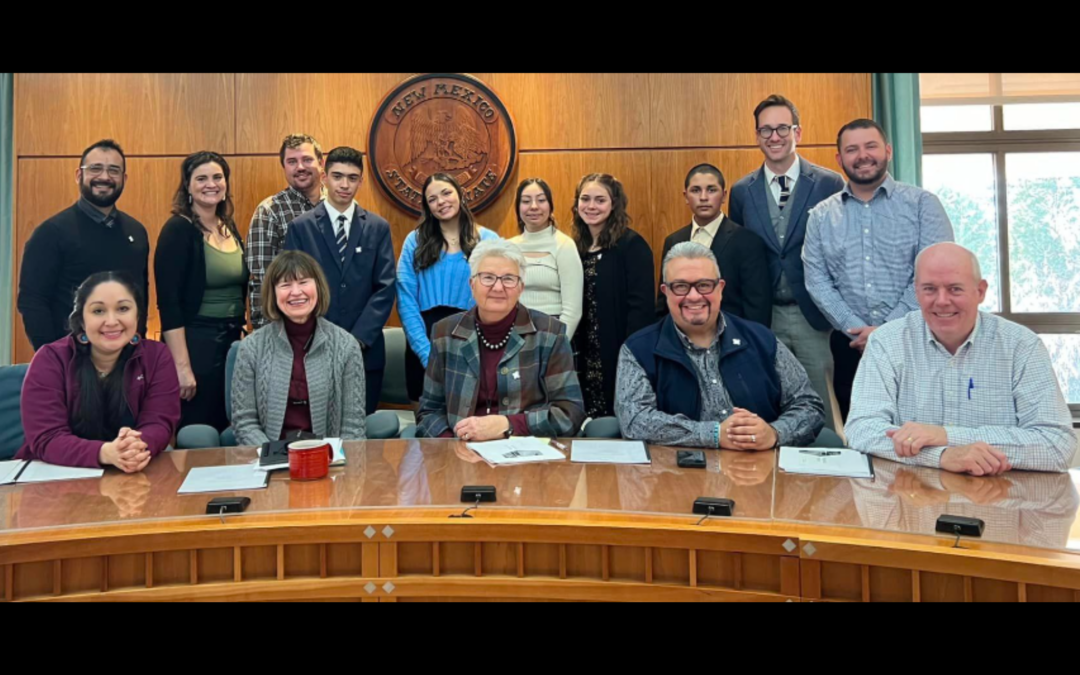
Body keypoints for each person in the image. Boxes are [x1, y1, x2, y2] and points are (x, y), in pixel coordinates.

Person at [845, 243, 1077, 475]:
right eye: (929, 289)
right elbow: (861, 429)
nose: (942, 301)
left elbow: (1057, 445)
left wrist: (945, 435)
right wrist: (942, 455)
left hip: (1002, 498)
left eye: (955, 289)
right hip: (914, 500)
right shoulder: (886, 342)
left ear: (981, 291)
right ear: (916, 292)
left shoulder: (1022, 346)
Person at [803, 118, 955, 423]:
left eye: (871, 146)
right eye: (852, 149)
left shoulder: (923, 205)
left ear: (887, 150)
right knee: (862, 434)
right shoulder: (821, 216)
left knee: (920, 437)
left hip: (916, 340)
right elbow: (817, 279)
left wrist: (886, 331)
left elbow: (936, 275)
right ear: (839, 159)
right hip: (851, 346)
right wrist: (857, 329)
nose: (863, 156)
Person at [617, 242, 824, 449]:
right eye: (681, 286)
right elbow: (634, 420)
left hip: (760, 471)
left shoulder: (762, 340)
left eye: (704, 285)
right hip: (677, 474)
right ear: (666, 292)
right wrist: (713, 434)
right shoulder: (638, 350)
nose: (694, 296)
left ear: (720, 288)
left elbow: (809, 405)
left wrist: (775, 433)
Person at [729, 95, 846, 429]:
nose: (774, 136)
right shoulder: (741, 191)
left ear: (798, 131)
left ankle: (826, 471)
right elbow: (741, 254)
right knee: (767, 399)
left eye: (782, 128)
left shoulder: (828, 184)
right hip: (763, 315)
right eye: (765, 130)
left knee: (820, 402)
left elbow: (839, 250)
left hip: (812, 314)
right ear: (757, 136)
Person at [416, 239, 585, 439]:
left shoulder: (550, 333)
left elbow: (570, 413)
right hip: (461, 454)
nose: (498, 287)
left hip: (528, 456)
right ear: (472, 284)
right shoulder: (445, 333)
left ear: (521, 287)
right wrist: (454, 445)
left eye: (508, 279)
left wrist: (509, 424)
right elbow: (428, 412)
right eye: (488, 277)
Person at [17, 271, 180, 470]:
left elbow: (159, 423)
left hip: (133, 472)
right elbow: (47, 437)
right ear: (82, 320)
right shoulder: (50, 359)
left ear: (137, 315)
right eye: (98, 311)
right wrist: (105, 453)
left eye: (123, 308)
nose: (111, 321)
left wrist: (136, 446)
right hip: (56, 475)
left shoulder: (156, 356)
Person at [284, 146, 395, 415]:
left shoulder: (378, 227)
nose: (344, 185)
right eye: (337, 176)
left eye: (352, 178)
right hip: (314, 347)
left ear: (361, 181)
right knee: (318, 431)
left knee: (360, 435)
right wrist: (323, 336)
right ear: (324, 176)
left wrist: (356, 340)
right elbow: (294, 288)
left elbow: (385, 287)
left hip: (365, 350)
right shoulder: (301, 227)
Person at [18, 139, 150, 350]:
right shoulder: (51, 232)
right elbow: (32, 301)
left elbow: (140, 295)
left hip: (127, 358)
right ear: (79, 175)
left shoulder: (137, 232)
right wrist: (52, 359)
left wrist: (140, 347)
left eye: (113, 170)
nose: (105, 177)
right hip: (72, 360)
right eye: (95, 168)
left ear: (124, 178)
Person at [231, 250, 367, 446]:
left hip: (330, 461)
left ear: (318, 287)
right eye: (285, 285)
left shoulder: (346, 345)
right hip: (269, 459)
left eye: (303, 282)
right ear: (273, 293)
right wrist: (274, 455)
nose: (296, 292)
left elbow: (353, 426)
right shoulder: (251, 348)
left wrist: (332, 459)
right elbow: (244, 422)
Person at [155, 151, 248, 431]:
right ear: (188, 186)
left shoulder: (227, 226)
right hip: (197, 345)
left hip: (231, 343)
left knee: (229, 428)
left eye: (218, 177)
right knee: (199, 432)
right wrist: (182, 368)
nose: (211, 184)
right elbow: (169, 305)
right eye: (202, 178)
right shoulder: (177, 230)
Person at [397, 172, 500, 403]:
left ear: (460, 194)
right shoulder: (415, 241)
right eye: (432, 199)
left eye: (446, 193)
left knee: (471, 425)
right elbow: (406, 301)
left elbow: (497, 296)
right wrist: (427, 354)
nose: (441, 202)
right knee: (426, 431)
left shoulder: (488, 239)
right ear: (427, 207)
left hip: (475, 340)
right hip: (423, 340)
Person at [572, 173, 655, 419]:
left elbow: (641, 309)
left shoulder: (631, 245)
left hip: (617, 349)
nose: (591, 206)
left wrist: (631, 354)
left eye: (600, 200)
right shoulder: (575, 247)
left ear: (614, 204)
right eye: (585, 199)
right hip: (583, 351)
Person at [657, 163, 771, 327]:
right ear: (685, 196)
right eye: (695, 190)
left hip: (733, 337)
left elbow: (757, 306)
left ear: (724, 195)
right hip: (682, 339)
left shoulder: (748, 241)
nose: (703, 197)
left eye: (711, 190)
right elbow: (664, 301)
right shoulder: (674, 241)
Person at [246, 134, 325, 329]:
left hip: (337, 327)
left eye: (307, 159)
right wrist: (265, 334)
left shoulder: (341, 208)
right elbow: (261, 280)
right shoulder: (269, 211)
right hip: (287, 329)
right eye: (292, 161)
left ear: (322, 163)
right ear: (284, 167)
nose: (300, 167)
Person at [508, 178, 584, 338]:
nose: (533, 206)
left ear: (550, 206)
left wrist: (557, 345)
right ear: (518, 208)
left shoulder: (564, 245)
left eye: (541, 200)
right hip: (512, 332)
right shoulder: (508, 247)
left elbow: (573, 311)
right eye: (526, 201)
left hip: (552, 332)